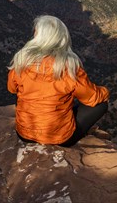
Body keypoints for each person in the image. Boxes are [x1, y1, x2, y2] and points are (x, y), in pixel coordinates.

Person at [7, 15, 109, 147]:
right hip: (59, 138)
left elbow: (12, 89)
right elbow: (92, 98)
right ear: (62, 37)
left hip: (25, 135)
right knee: (101, 105)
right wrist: (106, 91)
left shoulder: (21, 61)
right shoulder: (68, 66)